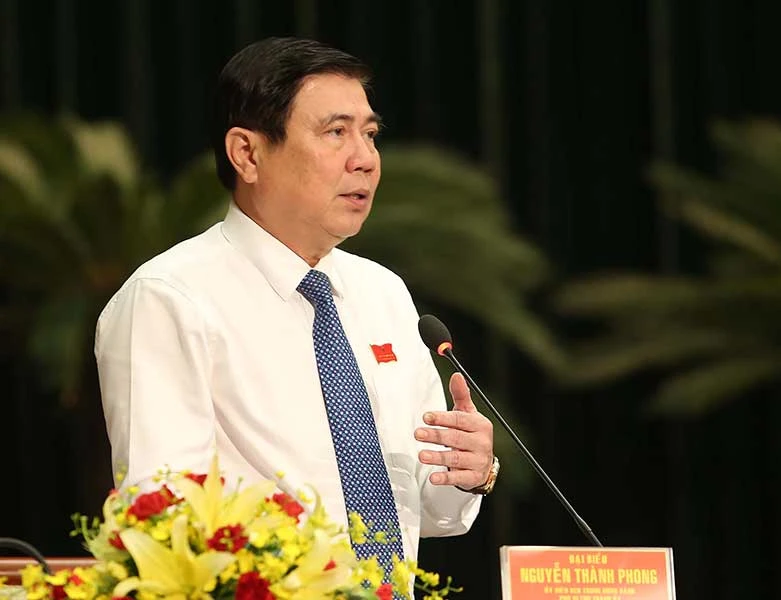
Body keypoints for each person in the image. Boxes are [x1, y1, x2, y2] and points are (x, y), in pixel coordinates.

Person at [95, 37, 498, 569]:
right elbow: (163, 519)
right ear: (247, 154)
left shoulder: (383, 292)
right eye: (336, 132)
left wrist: (467, 472)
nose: (366, 160)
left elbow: (427, 510)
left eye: (370, 134)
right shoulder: (170, 300)